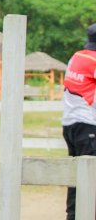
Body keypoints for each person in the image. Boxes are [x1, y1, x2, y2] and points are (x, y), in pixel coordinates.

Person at [61, 23, 96, 220]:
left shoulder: (77, 56)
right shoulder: (94, 60)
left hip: (70, 125)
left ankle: (73, 216)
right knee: (91, 179)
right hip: (88, 125)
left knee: (75, 177)